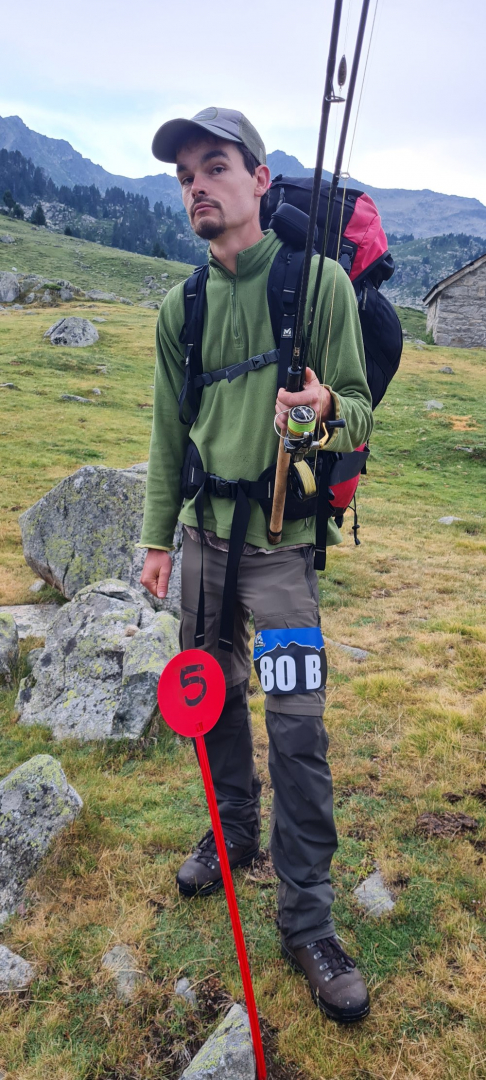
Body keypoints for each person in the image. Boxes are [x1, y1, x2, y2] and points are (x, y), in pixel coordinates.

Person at [139, 107, 373, 1023]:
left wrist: (321, 410)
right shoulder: (182, 307)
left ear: (259, 179)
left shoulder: (317, 285)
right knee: (213, 700)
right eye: (184, 175)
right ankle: (232, 833)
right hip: (203, 545)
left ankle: (307, 920)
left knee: (297, 730)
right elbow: (168, 435)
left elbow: (360, 409)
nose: (197, 185)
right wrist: (158, 542)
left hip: (280, 557)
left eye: (215, 166)